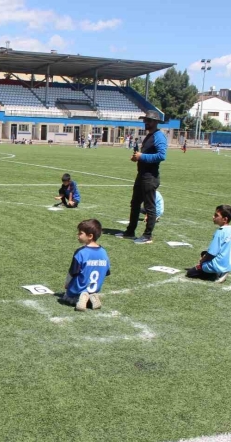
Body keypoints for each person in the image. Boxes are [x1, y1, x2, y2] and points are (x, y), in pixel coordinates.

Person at [116, 110, 167, 244]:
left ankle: (147, 235)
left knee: (150, 207)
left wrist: (142, 156)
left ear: (155, 122)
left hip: (150, 177)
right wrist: (137, 158)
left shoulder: (159, 136)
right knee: (135, 204)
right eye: (145, 120)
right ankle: (130, 231)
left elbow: (162, 156)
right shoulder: (149, 136)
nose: (146, 123)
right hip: (142, 175)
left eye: (149, 121)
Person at [61, 219, 111, 311]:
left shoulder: (80, 253)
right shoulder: (104, 252)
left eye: (80, 233)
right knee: (90, 292)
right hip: (94, 288)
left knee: (66, 296)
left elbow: (72, 273)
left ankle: (81, 297)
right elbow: (107, 272)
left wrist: (67, 284)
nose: (78, 235)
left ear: (90, 236)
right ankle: (91, 297)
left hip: (76, 290)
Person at [186, 205, 231, 284]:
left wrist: (202, 261)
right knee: (204, 253)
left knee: (191, 273)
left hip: (217, 266)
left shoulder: (220, 232)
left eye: (216, 215)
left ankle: (216, 274)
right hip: (229, 265)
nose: (213, 217)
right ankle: (222, 272)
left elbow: (212, 253)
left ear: (225, 219)